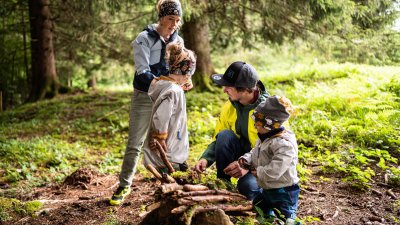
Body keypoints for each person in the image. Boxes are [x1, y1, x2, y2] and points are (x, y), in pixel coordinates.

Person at [110, 0, 187, 206]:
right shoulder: (144, 38)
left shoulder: (177, 40)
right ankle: (124, 185)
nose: (173, 24)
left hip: (168, 97)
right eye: (171, 19)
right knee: (136, 142)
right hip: (144, 97)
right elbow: (142, 72)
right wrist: (164, 84)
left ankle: (170, 179)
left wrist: (184, 80)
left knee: (167, 139)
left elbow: (183, 65)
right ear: (161, 17)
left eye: (177, 21)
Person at [194, 61, 269, 200]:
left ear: (245, 89)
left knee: (247, 187)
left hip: (262, 165)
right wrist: (205, 158)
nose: (224, 90)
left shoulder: (270, 111)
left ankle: (266, 198)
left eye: (229, 87)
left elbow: (273, 152)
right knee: (224, 135)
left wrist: (248, 165)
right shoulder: (230, 106)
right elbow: (220, 139)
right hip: (241, 156)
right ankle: (223, 183)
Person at [238, 96, 300, 225]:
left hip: (284, 189)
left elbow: (278, 167)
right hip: (268, 187)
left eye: (258, 123)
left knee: (286, 216)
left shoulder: (284, 144)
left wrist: (260, 172)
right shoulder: (264, 137)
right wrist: (247, 159)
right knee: (260, 205)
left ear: (270, 124)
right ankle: (267, 220)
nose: (255, 125)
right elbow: (255, 152)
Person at [144, 42, 196, 174]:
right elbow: (161, 116)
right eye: (189, 74)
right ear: (185, 72)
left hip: (172, 148)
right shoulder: (173, 91)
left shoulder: (165, 85)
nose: (190, 78)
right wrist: (160, 137)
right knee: (171, 174)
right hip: (169, 152)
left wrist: (181, 86)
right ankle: (173, 169)